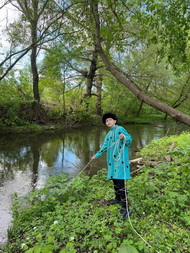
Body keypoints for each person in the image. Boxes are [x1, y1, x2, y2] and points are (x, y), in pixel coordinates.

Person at [92, 112, 132, 220]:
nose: (108, 122)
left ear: (115, 121)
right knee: (114, 181)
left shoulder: (120, 129)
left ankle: (126, 207)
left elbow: (129, 140)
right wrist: (96, 155)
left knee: (121, 183)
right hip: (112, 162)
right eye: (106, 121)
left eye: (110, 120)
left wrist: (124, 137)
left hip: (120, 162)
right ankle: (118, 199)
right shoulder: (108, 134)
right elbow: (104, 147)